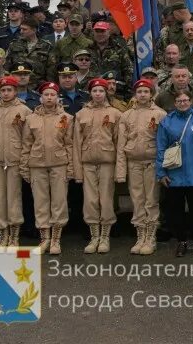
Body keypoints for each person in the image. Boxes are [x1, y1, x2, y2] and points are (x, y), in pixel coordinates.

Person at [156, 90, 193, 257]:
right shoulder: (166, 121)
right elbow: (160, 148)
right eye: (179, 101)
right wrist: (161, 172)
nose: (182, 103)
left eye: (185, 100)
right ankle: (181, 241)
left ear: (191, 101)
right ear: (174, 103)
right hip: (174, 174)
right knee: (176, 212)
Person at [20, 81, 73, 255]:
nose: (49, 97)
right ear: (40, 98)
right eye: (46, 95)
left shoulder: (66, 118)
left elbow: (70, 145)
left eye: (52, 94)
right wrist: (24, 167)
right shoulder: (31, 119)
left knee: (59, 202)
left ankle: (56, 240)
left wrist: (71, 168)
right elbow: (26, 145)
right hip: (37, 164)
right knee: (40, 202)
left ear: (58, 97)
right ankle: (44, 238)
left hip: (59, 164)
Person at [116, 79, 167, 255]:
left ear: (151, 94)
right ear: (135, 94)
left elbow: (164, 142)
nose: (143, 94)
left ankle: (151, 236)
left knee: (151, 199)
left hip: (152, 162)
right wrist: (121, 171)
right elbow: (121, 144)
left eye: (146, 91)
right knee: (137, 199)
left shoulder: (160, 114)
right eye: (139, 92)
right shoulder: (126, 115)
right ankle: (140, 235)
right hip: (133, 162)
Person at [73, 77, 122, 254]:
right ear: (90, 93)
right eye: (95, 91)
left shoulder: (115, 114)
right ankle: (94, 236)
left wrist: (120, 169)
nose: (98, 94)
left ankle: (105, 237)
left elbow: (119, 143)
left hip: (108, 162)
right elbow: (76, 144)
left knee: (106, 199)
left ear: (106, 92)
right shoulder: (81, 115)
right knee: (90, 200)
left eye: (101, 91)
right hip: (87, 163)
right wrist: (77, 172)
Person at [0, 75, 30, 247]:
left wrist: (24, 162)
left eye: (9, 90)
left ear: (15, 91)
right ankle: (2, 234)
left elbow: (27, 139)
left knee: (14, 198)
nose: (6, 93)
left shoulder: (24, 111)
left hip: (14, 160)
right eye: (3, 90)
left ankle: (14, 235)